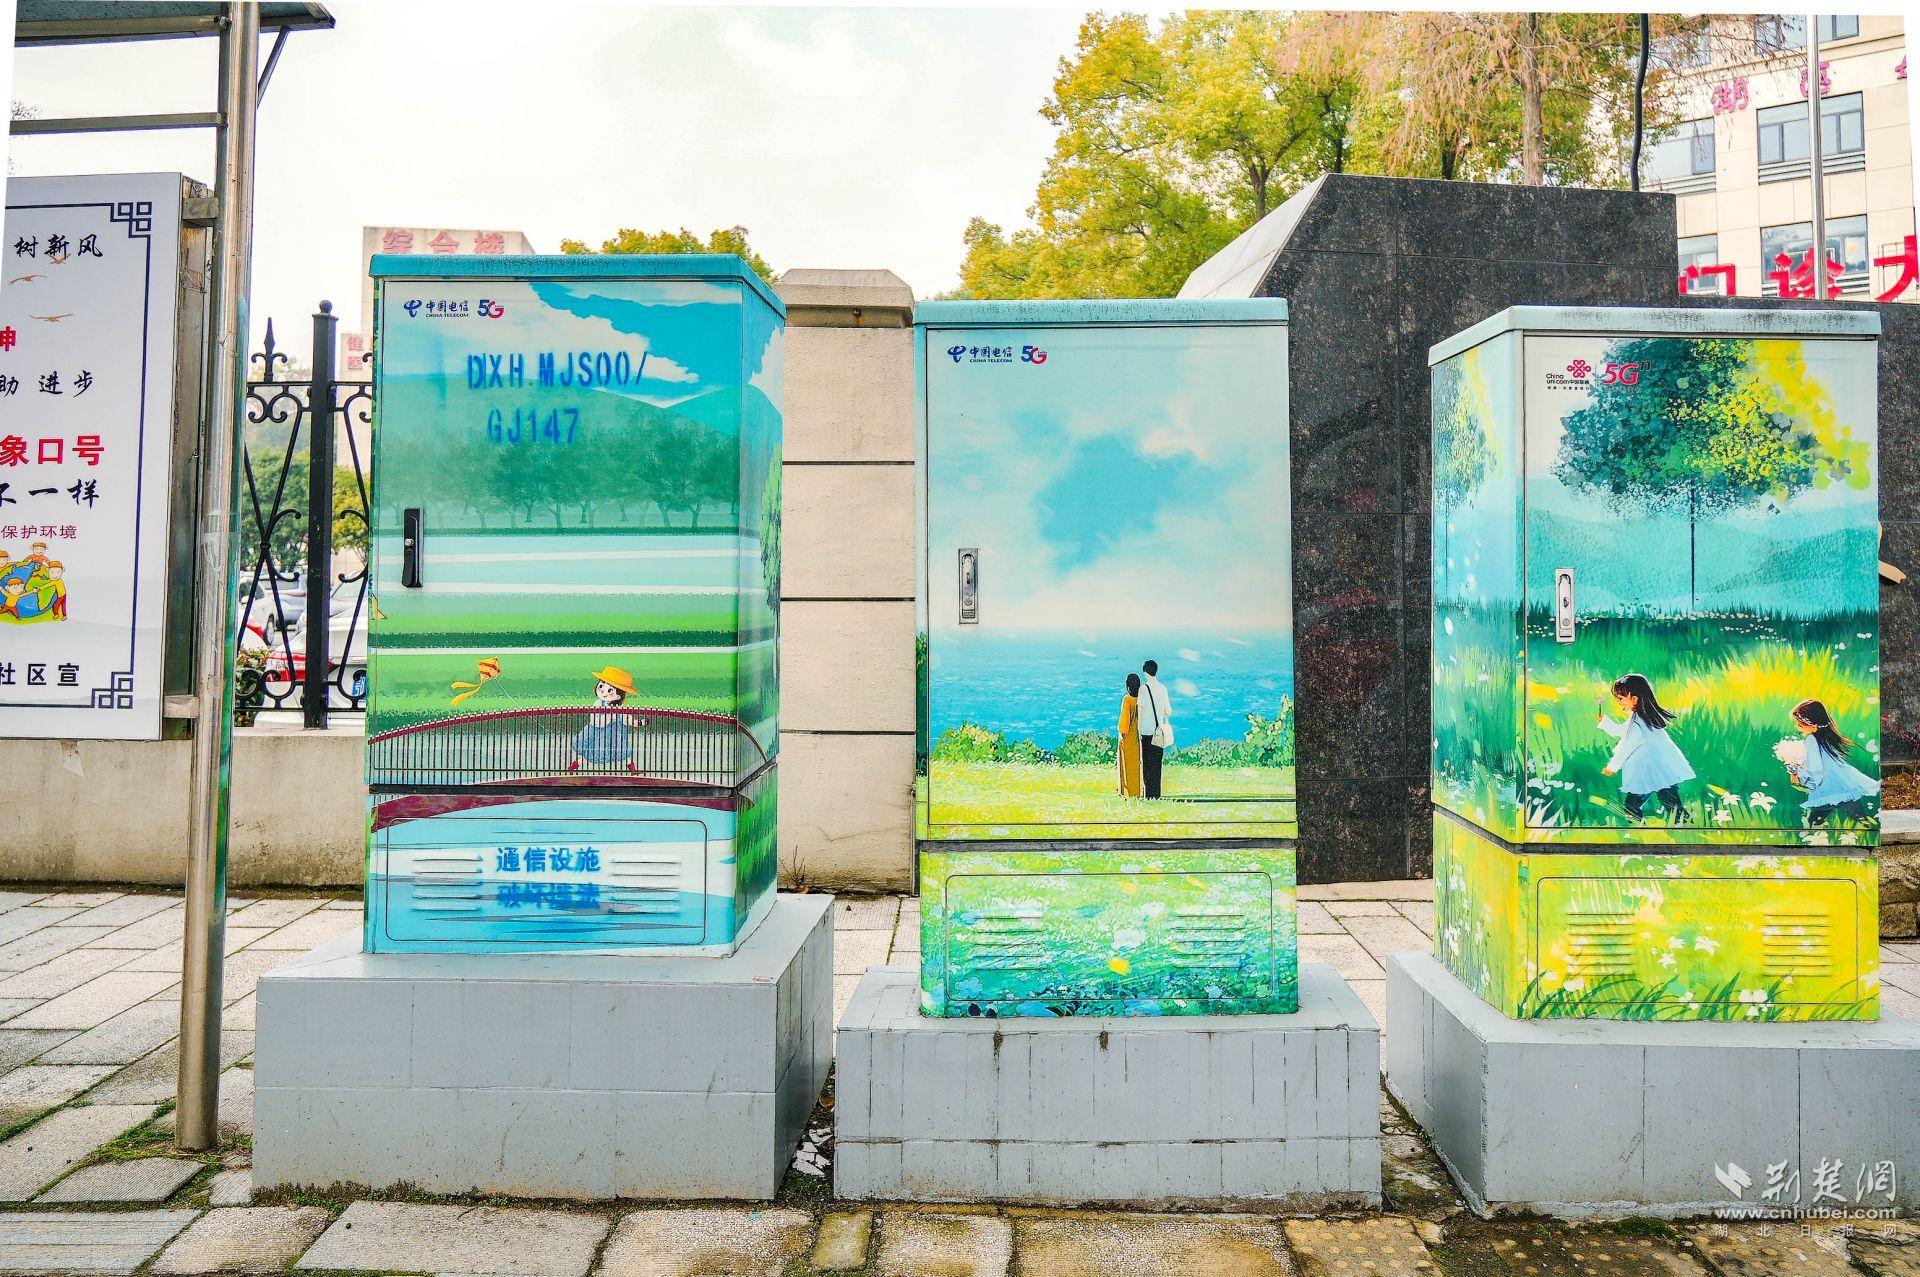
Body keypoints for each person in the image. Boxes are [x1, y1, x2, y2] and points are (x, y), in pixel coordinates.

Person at [1595, 673, 1695, 823]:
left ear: (1634, 699)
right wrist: (1605, 723)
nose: (1619, 703)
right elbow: (1623, 732)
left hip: (1647, 771)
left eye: (1621, 699)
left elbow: (1627, 746)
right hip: (1660, 769)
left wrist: (1612, 767)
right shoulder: (1643, 717)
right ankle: (1683, 823)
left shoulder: (1638, 721)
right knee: (1669, 799)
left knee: (1634, 803)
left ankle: (1636, 825)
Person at [1787, 698, 1878, 826]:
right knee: (1860, 818)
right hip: (1844, 784)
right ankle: (1868, 829)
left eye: (1800, 725)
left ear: (1813, 726)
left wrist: (1800, 777)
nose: (1797, 727)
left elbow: (1815, 769)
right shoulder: (1826, 737)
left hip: (1826, 789)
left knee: (1813, 821)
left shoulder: (1811, 740)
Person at [568, 666, 638, 772]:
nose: (604, 692)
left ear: (618, 696)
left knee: (622, 750)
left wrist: (636, 722)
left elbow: (625, 717)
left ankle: (631, 767)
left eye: (610, 690)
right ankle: (575, 765)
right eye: (601, 686)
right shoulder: (598, 703)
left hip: (615, 733)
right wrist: (606, 719)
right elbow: (595, 720)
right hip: (598, 733)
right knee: (592, 752)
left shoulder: (619, 707)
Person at [1138, 659, 1173, 800]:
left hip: (1146, 732)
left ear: (1146, 672)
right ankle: (1156, 794)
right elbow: (1168, 711)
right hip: (1159, 732)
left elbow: (1140, 712)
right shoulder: (1163, 688)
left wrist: (1138, 731)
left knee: (1147, 765)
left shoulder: (1143, 689)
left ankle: (1148, 794)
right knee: (1157, 765)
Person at [1117, 674, 1143, 798]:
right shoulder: (1141, 699)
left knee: (1125, 765)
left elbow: (1124, 721)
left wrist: (1122, 733)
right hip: (1137, 737)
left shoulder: (1127, 700)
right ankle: (1136, 791)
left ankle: (1126, 791)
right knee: (1135, 766)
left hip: (1127, 737)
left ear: (1128, 686)